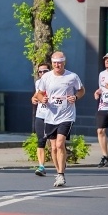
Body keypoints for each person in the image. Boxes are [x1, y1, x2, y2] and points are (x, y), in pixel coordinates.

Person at [34, 52, 85, 187]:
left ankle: (62, 175)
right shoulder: (46, 77)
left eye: (60, 62)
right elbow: (39, 93)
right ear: (52, 63)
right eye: (55, 62)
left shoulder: (72, 76)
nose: (57, 65)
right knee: (53, 148)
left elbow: (81, 90)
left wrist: (75, 97)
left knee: (59, 144)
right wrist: (42, 98)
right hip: (50, 115)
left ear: (64, 62)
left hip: (66, 115)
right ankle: (58, 172)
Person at [30, 62, 51, 176]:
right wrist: (33, 99)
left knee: (56, 143)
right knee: (41, 140)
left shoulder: (55, 81)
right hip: (41, 114)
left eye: (45, 71)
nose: (42, 73)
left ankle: (60, 166)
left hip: (54, 116)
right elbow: (36, 95)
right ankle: (41, 166)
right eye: (40, 72)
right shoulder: (38, 83)